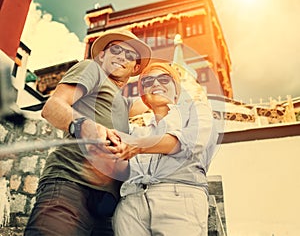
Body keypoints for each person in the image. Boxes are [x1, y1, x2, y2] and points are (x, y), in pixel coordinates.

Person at [24, 29, 152, 236]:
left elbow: (151, 103)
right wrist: (84, 125)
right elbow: (53, 106)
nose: (122, 57)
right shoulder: (92, 69)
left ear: (135, 68)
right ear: (102, 55)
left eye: (130, 56)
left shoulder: (122, 102)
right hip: (71, 183)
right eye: (116, 50)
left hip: (108, 204)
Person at [111, 62, 219, 236]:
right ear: (143, 97)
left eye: (164, 79)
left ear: (177, 89)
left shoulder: (197, 111)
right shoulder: (137, 130)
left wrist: (138, 146)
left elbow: (190, 144)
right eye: (147, 82)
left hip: (178, 199)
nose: (155, 84)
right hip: (132, 206)